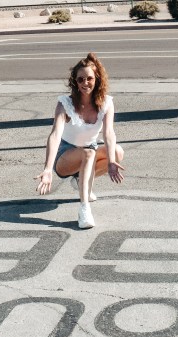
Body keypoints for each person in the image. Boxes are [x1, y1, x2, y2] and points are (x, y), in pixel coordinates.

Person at [35, 52, 125, 230]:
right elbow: (55, 135)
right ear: (75, 82)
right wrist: (47, 169)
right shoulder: (65, 103)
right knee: (88, 153)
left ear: (97, 79)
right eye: (80, 79)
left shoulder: (106, 103)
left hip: (89, 151)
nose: (85, 83)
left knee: (117, 152)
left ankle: (81, 181)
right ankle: (84, 208)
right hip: (66, 156)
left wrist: (111, 162)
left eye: (89, 78)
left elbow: (109, 133)